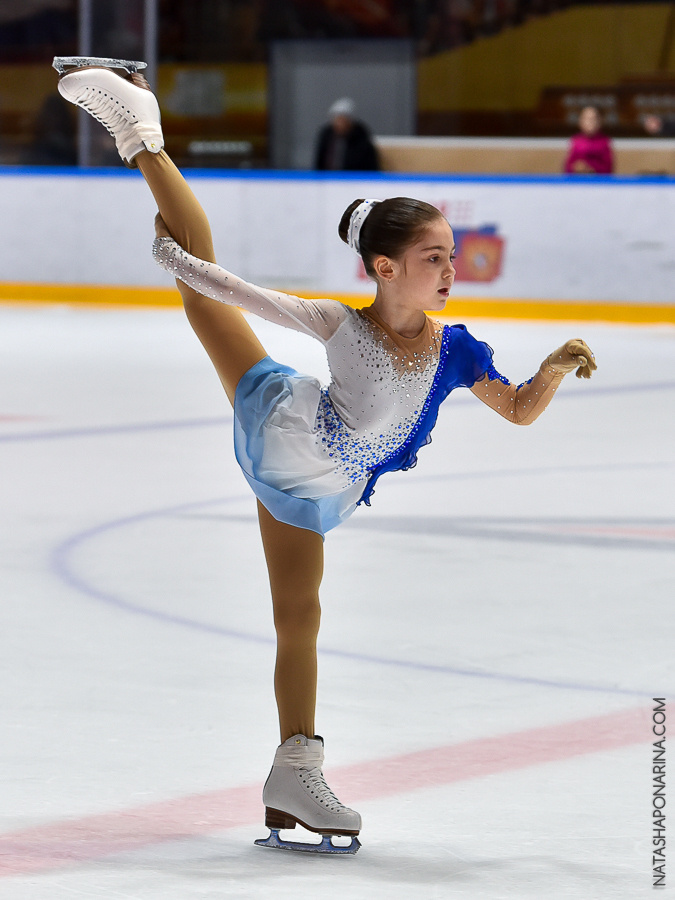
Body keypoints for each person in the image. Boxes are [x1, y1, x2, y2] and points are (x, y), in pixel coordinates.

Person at [55, 59, 597, 854]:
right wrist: (184, 269)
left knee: (299, 615)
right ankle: (141, 131)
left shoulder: (457, 350)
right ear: (384, 268)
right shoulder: (344, 326)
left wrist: (548, 370)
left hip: (322, 489)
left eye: (450, 254)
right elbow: (248, 296)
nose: (452, 270)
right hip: (285, 431)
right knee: (204, 298)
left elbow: (515, 410)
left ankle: (291, 772)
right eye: (434, 258)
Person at [314, 97, 380, 171]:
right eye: (337, 119)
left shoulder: (361, 140)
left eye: (343, 120)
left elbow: (370, 167)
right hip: (327, 179)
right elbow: (319, 163)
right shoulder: (326, 136)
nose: (339, 124)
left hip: (353, 180)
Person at [563, 105, 613, 175]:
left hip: (598, 182)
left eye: (593, 119)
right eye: (586, 119)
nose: (590, 122)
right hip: (578, 182)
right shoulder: (576, 140)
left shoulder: (604, 141)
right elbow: (567, 167)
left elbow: (608, 168)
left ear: (600, 121)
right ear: (580, 121)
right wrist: (576, 167)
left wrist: (591, 169)